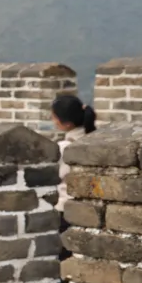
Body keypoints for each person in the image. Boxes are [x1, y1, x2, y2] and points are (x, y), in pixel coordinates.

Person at [51, 94, 97, 235]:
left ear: (67, 124)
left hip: (67, 209)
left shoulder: (64, 147)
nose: (53, 121)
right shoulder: (95, 139)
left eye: (54, 117)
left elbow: (54, 177)